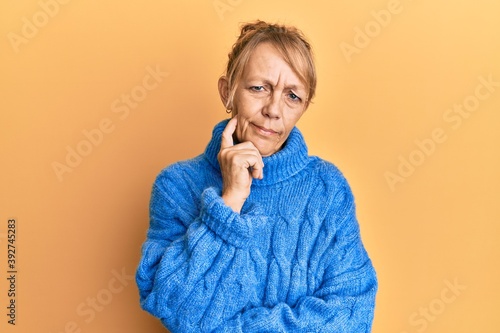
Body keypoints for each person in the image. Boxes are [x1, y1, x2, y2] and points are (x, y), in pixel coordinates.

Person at [136, 20, 377, 332]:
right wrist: (229, 202)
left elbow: (352, 314)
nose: (273, 110)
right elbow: (177, 310)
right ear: (227, 92)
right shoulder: (176, 187)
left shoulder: (327, 189)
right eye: (259, 88)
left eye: (292, 96)